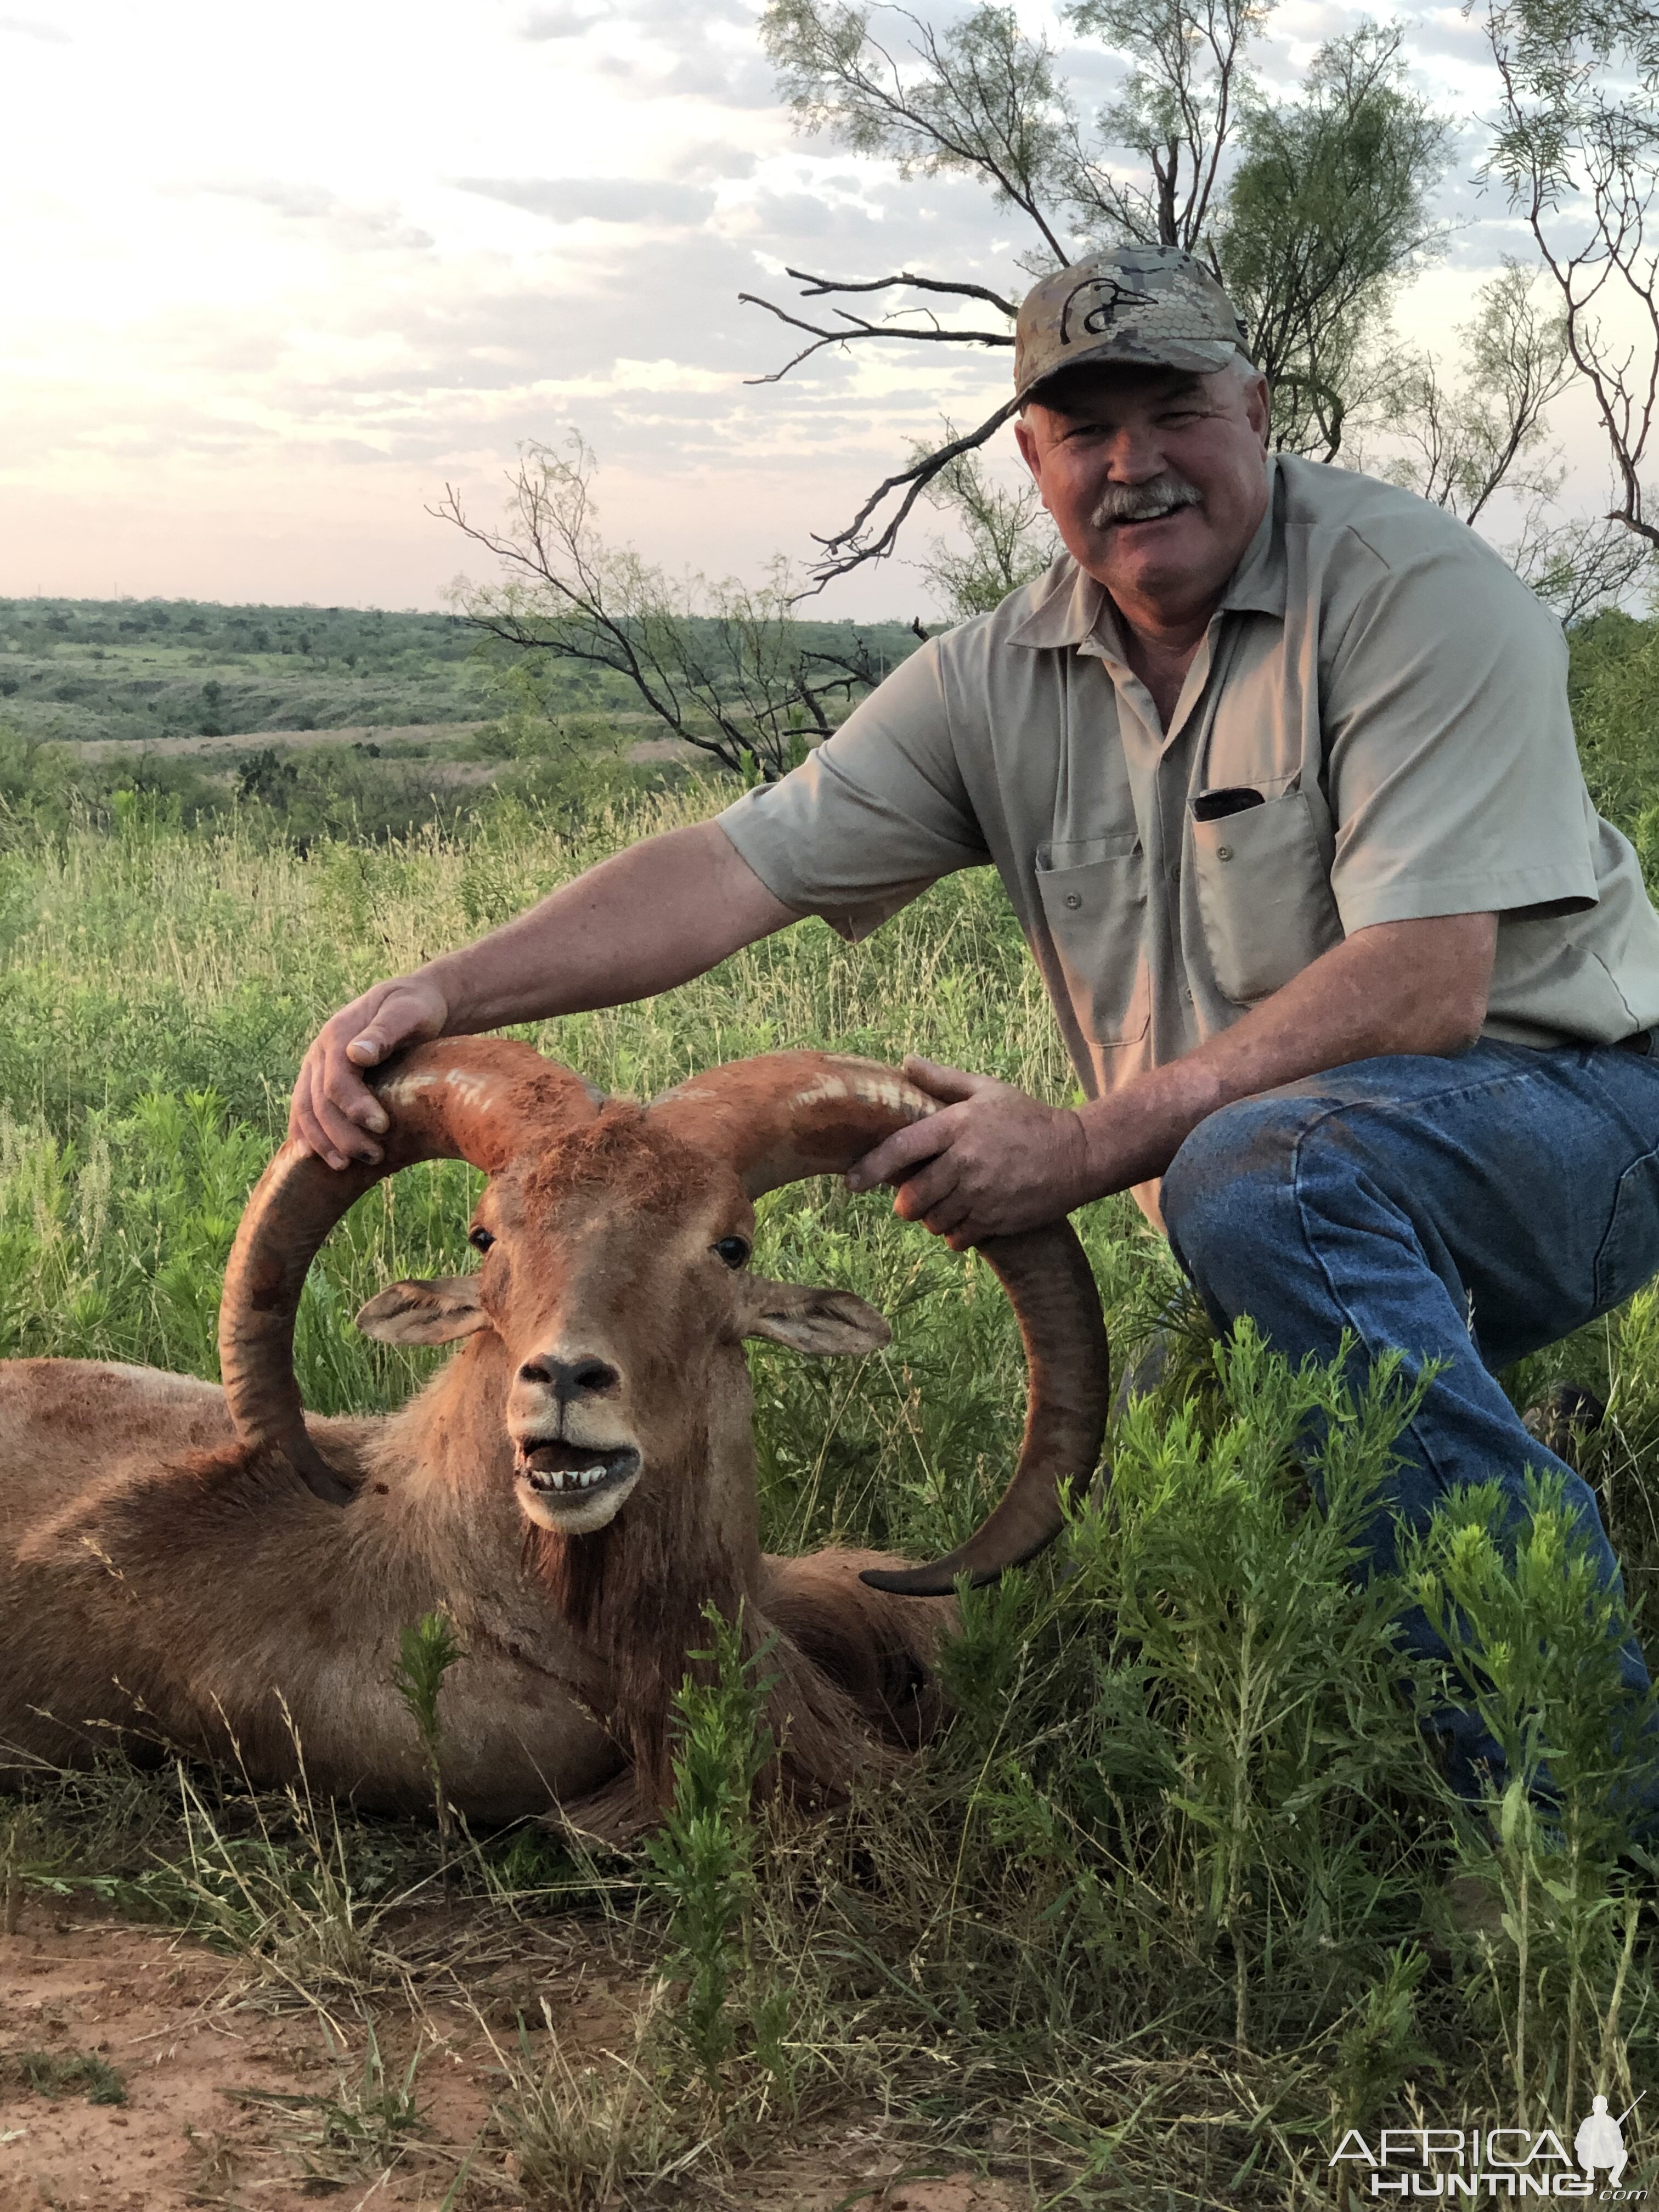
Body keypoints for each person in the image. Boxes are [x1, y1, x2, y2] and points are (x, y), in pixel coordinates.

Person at [291, 246, 1659, 1796]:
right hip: (1284, 1188)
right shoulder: (996, 676)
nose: (1135, 463)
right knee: (1139, 1561)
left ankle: (1577, 1807)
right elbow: (733, 872)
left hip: (1581, 1115)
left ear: (1258, 408)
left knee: (1266, 1181)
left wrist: (1086, 1142)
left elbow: (1428, 982)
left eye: (1177, 408)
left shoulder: (1417, 595)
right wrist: (440, 993)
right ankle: (1428, 1532)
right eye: (1086, 429)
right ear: (1031, 456)